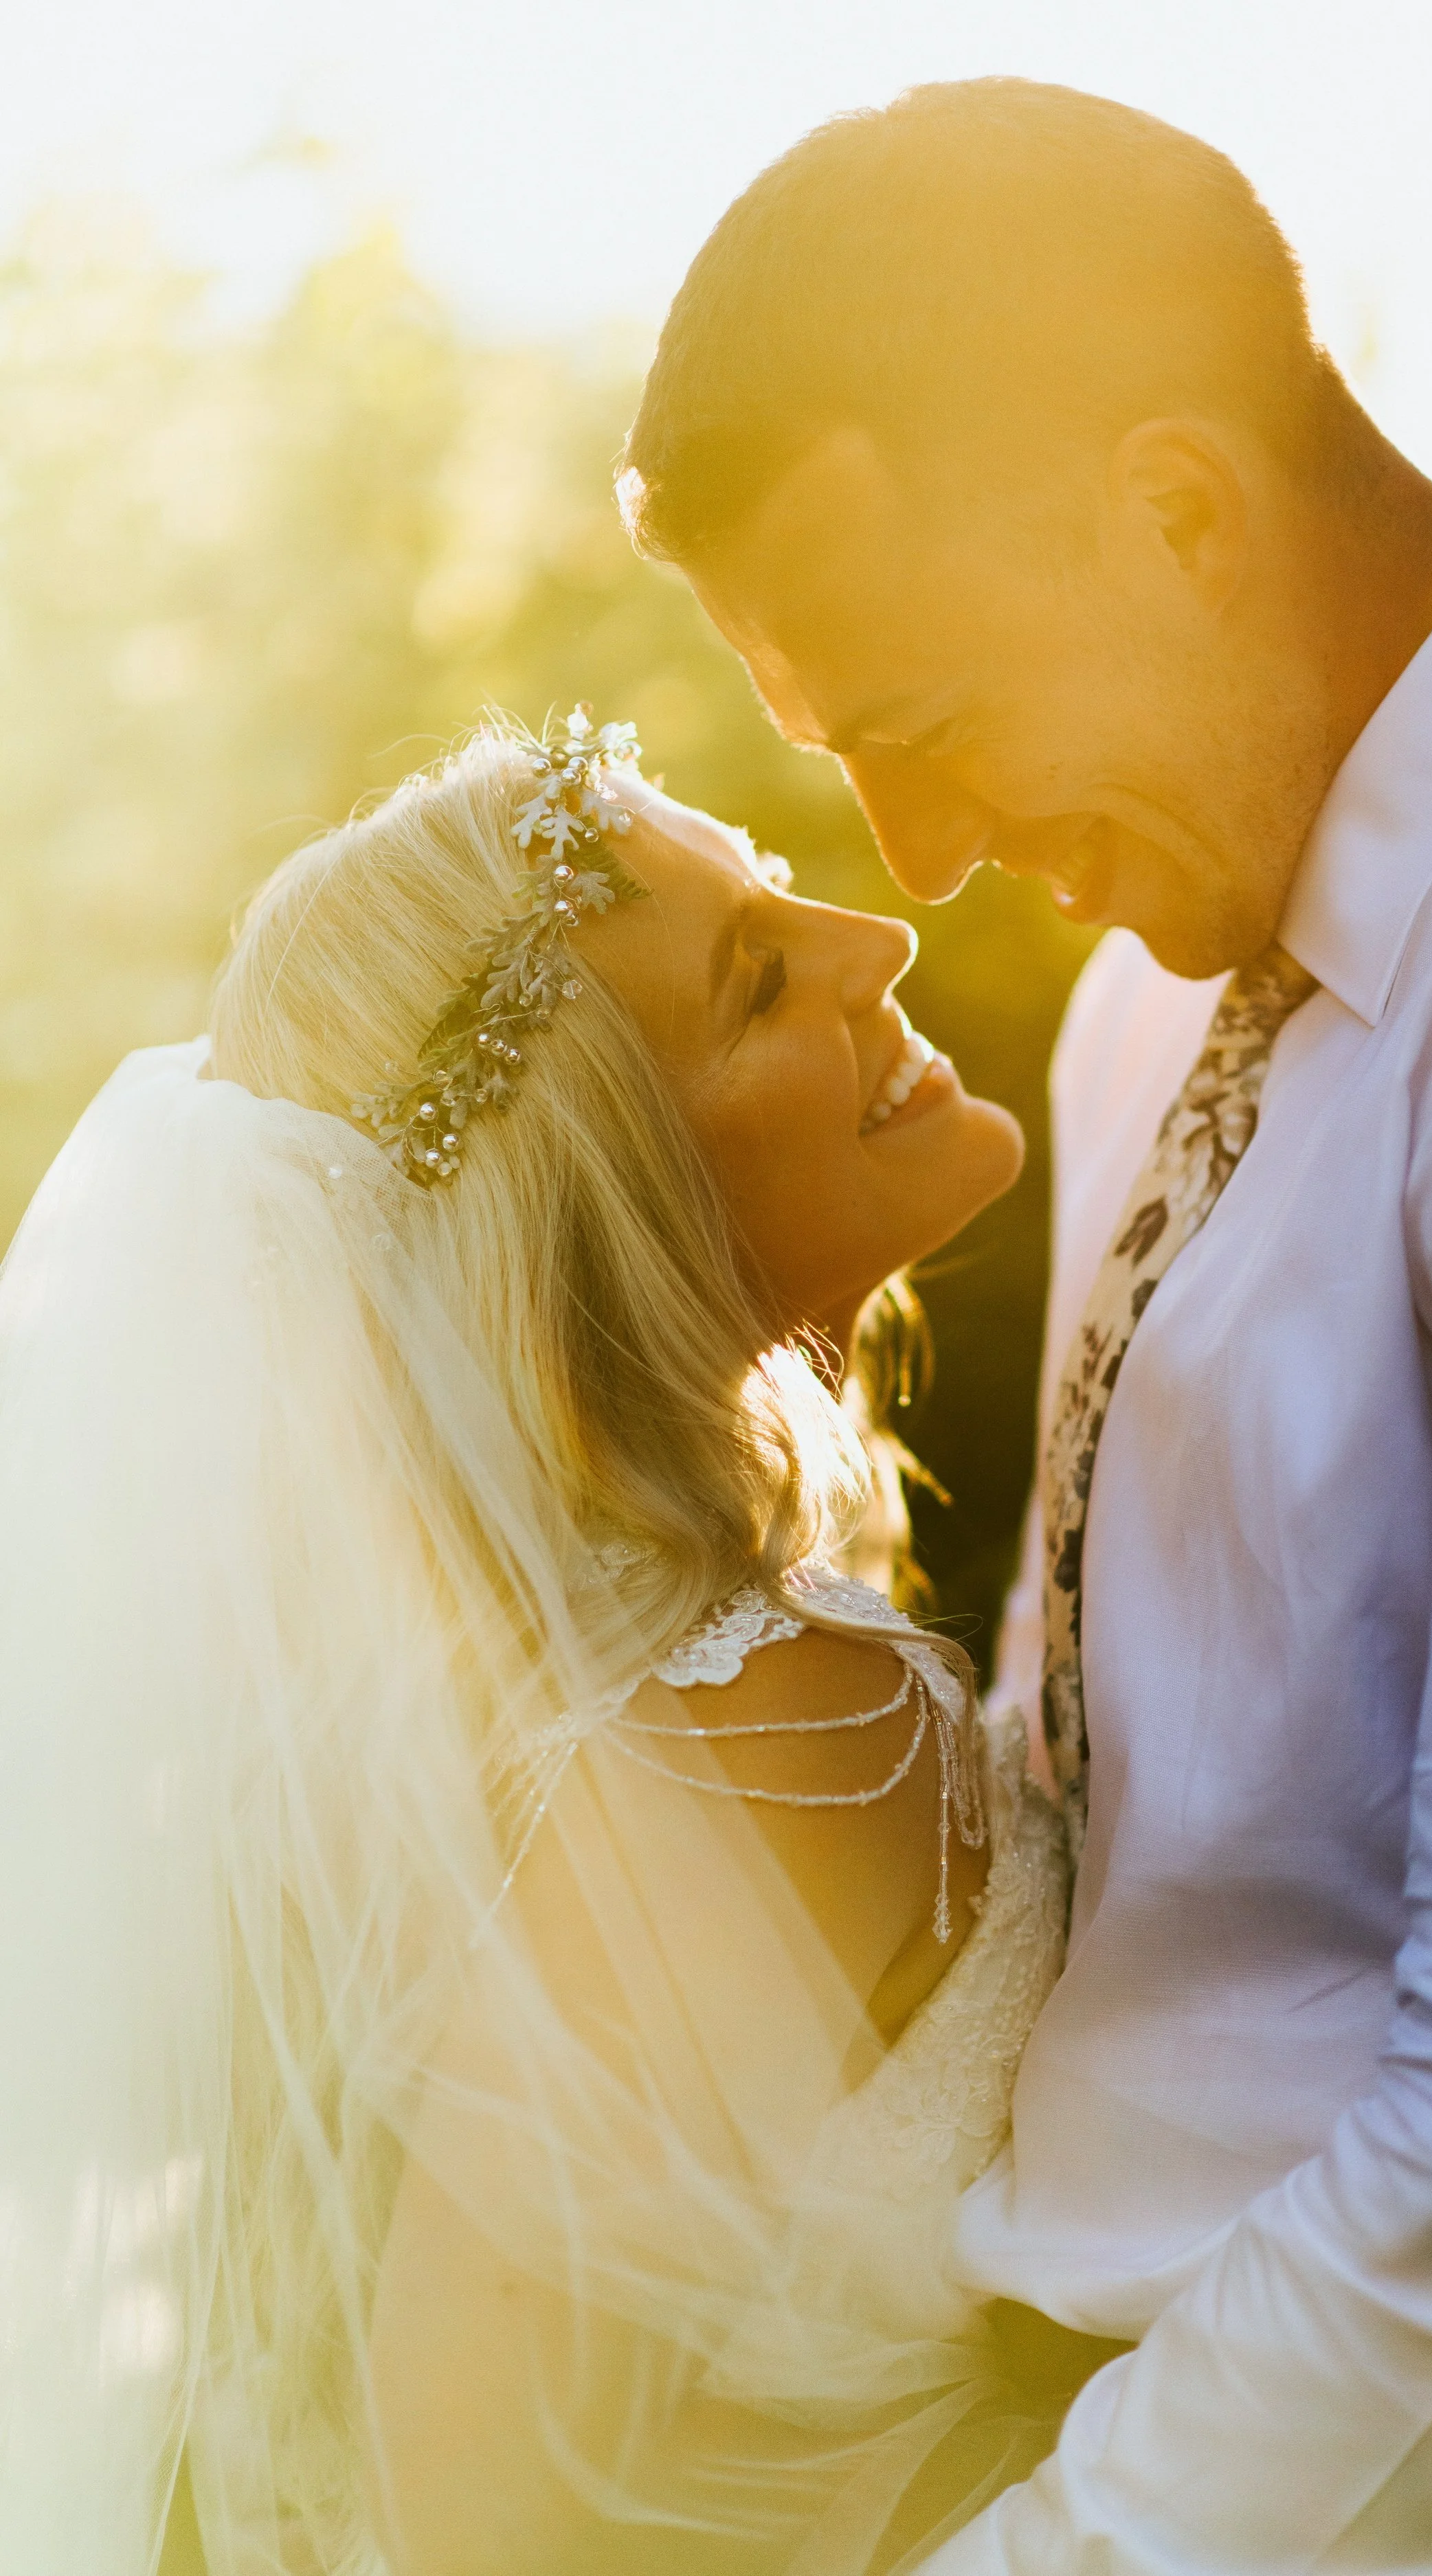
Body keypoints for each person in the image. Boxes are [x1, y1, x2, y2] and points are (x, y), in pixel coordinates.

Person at [618, 75, 1432, 2573]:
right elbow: (1111, 1818)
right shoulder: (1151, 985)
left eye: (913, 727)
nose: (919, 866)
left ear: (1180, 510)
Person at [0, 712, 1110, 2576]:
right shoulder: (764, 1733)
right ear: (612, 1195)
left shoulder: (604, 1696)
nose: (881, 942)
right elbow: (473, 2520)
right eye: (760, 978)